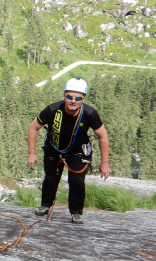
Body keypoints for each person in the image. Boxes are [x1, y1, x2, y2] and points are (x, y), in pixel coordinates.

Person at [26, 78, 110, 224]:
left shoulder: (89, 114)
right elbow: (33, 127)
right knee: (50, 178)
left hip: (78, 152)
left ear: (83, 99)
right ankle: (46, 205)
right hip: (54, 148)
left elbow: (102, 136)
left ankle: (76, 212)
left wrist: (105, 163)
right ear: (64, 96)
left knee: (77, 181)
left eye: (78, 98)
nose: (73, 101)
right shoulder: (52, 110)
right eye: (70, 97)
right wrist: (31, 153)